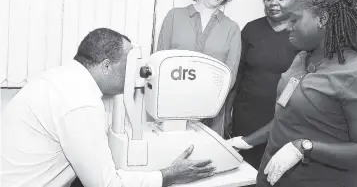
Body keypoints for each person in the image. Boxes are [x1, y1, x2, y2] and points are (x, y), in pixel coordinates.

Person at [0, 28, 215, 187]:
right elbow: (106, 184)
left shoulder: (61, 77)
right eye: (128, 65)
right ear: (105, 66)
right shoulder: (80, 101)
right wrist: (168, 175)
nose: (134, 73)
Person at [243, 0, 357, 187]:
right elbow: (287, 117)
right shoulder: (301, 59)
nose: (288, 26)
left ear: (322, 19)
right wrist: (247, 142)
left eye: (295, 19)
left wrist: (304, 147)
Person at [226, 0, 309, 169]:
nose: (273, 3)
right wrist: (228, 113)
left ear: (296, 0)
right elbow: (238, 75)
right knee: (242, 172)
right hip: (245, 116)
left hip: (280, 120)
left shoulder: (302, 35)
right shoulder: (251, 29)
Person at [156, 0, 241, 138]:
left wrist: (203, 104)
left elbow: (230, 76)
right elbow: (160, 64)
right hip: (173, 110)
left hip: (211, 114)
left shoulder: (232, 29)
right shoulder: (174, 17)